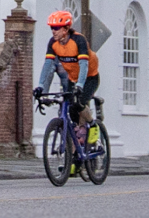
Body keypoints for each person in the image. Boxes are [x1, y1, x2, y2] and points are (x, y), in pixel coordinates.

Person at [34, 9, 102, 146]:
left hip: (89, 77)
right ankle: (77, 152)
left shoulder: (78, 40)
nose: (53, 31)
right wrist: (40, 86)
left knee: (79, 102)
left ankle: (93, 125)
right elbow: (48, 65)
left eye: (57, 28)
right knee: (71, 110)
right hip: (73, 78)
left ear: (66, 29)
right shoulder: (53, 43)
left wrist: (80, 86)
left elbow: (84, 65)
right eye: (52, 28)